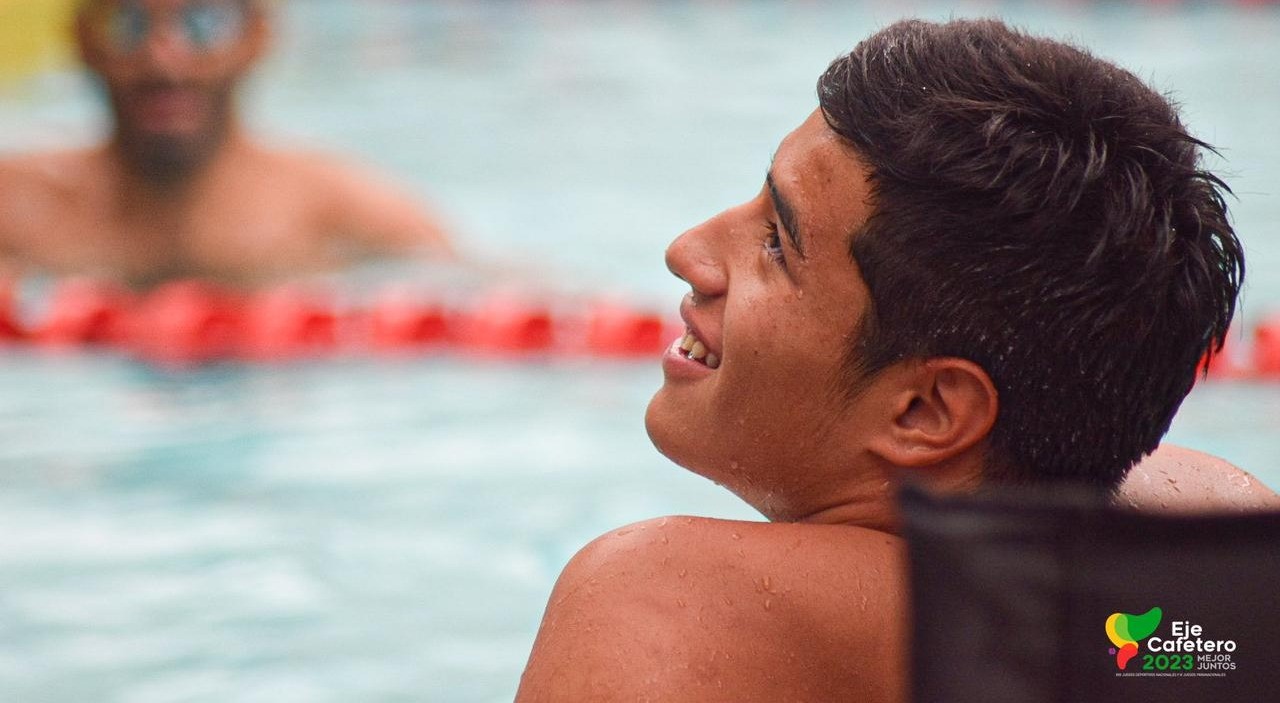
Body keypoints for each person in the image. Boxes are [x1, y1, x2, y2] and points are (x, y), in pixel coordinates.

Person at [515, 19, 1278, 703]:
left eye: (777, 243)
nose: (688, 250)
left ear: (926, 410)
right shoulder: (1228, 558)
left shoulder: (670, 605)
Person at [0, 0, 455, 289]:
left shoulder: (341, 213)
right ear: (83, 40)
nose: (164, 60)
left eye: (203, 24)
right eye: (128, 24)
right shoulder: (17, 211)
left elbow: (463, 290)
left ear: (255, 37)